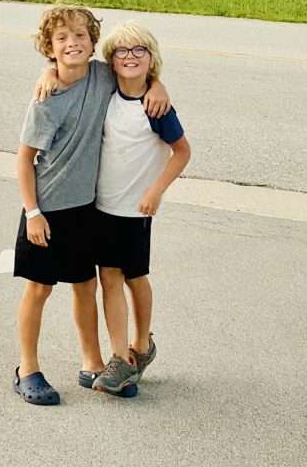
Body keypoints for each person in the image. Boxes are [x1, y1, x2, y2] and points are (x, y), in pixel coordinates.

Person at [13, 2, 170, 406]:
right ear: (49, 47)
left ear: (93, 42)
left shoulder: (102, 76)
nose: (72, 44)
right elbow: (23, 159)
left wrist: (158, 85)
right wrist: (33, 212)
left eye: (80, 36)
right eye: (61, 38)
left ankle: (92, 362)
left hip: (87, 208)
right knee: (40, 289)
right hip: (47, 210)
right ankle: (27, 368)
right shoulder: (46, 97)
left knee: (85, 286)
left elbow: (137, 71)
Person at [91, 22, 191, 396]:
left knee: (135, 277)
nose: (130, 57)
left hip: (136, 209)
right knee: (109, 278)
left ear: (152, 60)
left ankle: (142, 346)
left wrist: (157, 190)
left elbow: (182, 152)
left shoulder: (156, 105)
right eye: (121, 51)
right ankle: (119, 357)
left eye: (139, 51)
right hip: (103, 204)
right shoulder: (105, 91)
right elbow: (69, 68)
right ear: (111, 60)